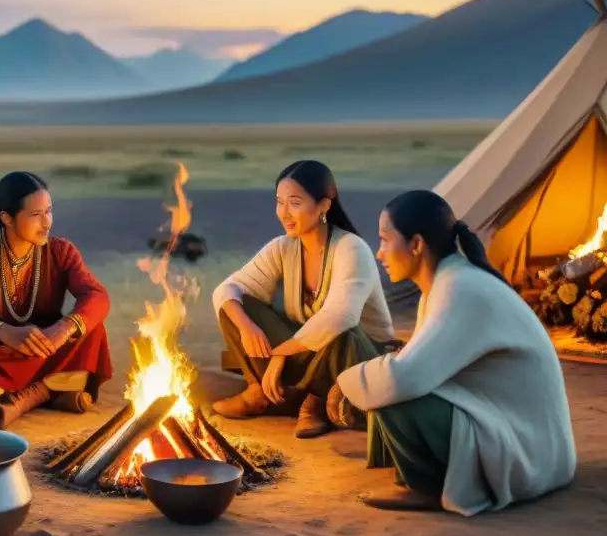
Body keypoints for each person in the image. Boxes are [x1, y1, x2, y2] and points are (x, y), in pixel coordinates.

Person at [336, 190, 577, 513]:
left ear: (417, 244)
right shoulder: (449, 282)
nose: (379, 253)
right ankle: (414, 467)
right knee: (382, 379)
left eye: (384, 240)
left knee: (393, 391)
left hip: (527, 454)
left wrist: (343, 384)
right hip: (535, 444)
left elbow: (404, 378)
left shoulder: (460, 289)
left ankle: (427, 486)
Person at [211, 160, 399, 438]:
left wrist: (278, 355)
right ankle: (261, 390)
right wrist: (247, 327)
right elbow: (228, 289)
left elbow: (341, 316)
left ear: (323, 205)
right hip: (309, 352)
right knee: (238, 308)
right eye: (279, 202)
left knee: (340, 333)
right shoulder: (283, 247)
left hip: (358, 357)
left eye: (295, 203)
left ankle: (316, 403)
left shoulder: (351, 248)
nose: (284, 213)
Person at [0, 171, 113, 428]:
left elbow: (96, 295)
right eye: (35, 215)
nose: (47, 223)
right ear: (6, 217)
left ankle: (23, 399)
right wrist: (4, 332)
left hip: (43, 348)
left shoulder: (61, 251)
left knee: (93, 329)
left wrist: (64, 327)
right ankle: (53, 390)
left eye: (49, 211)